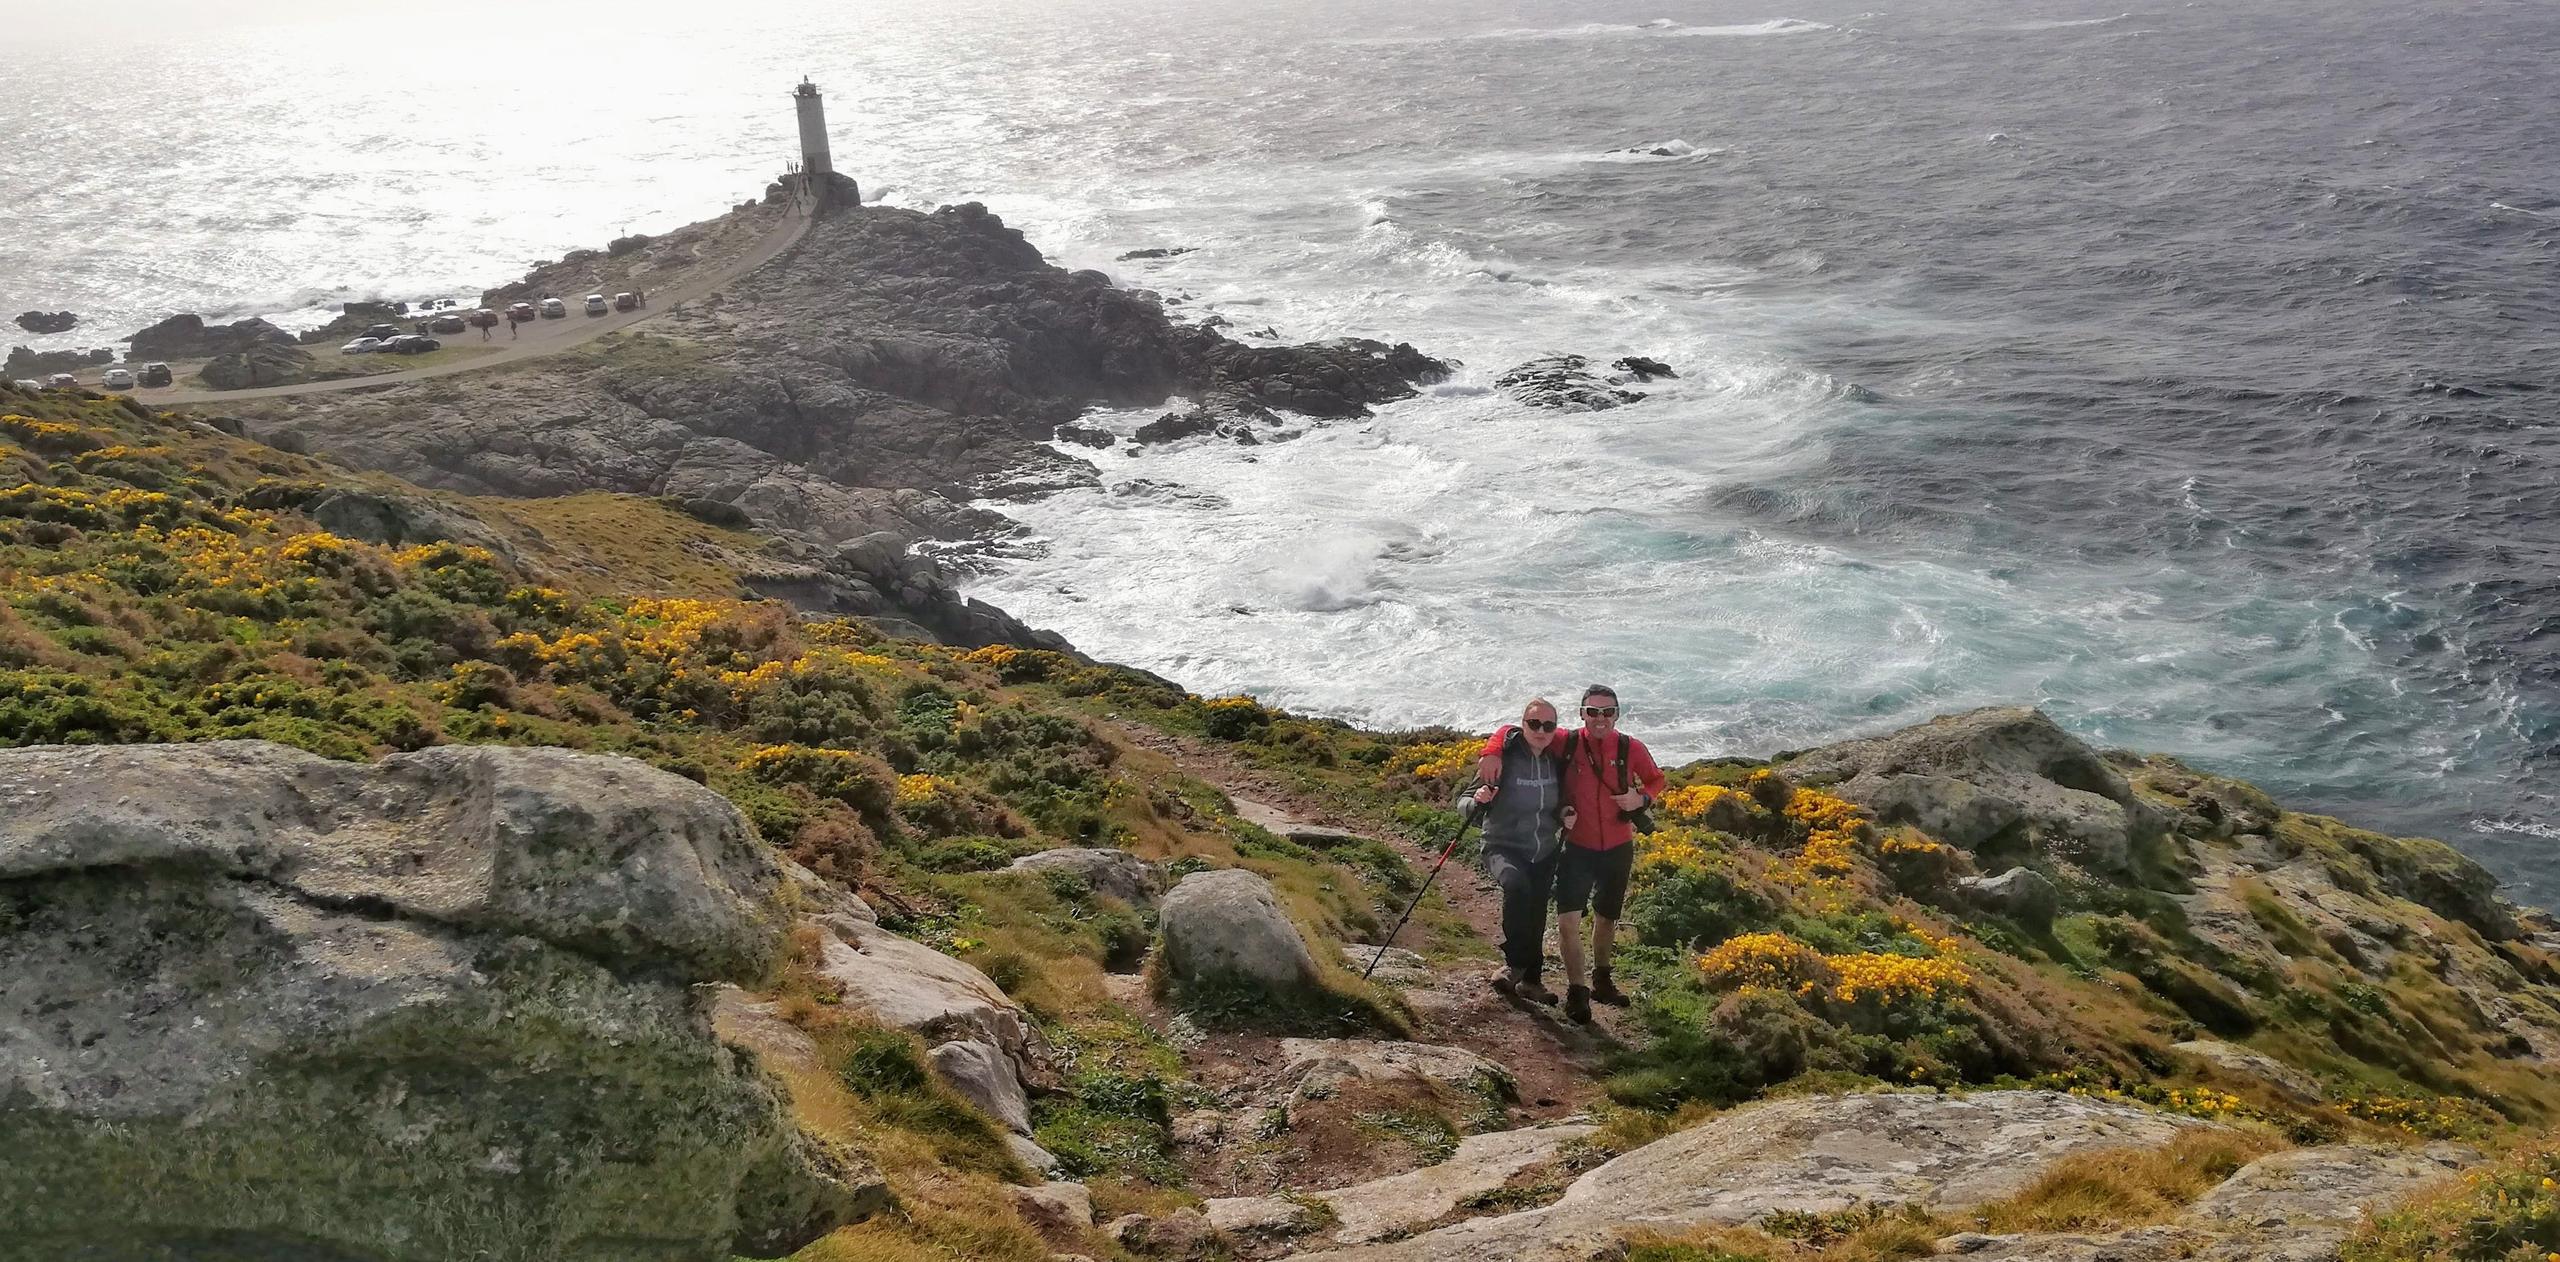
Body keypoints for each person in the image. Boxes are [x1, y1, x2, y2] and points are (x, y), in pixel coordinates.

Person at [1553, 684, 1665, 1023]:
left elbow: (1656, 780)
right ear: (1581, 713)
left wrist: (1641, 800)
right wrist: (1494, 752)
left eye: (1608, 712)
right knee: (1567, 921)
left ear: (1617, 714)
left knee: (1606, 918)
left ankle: (1602, 981)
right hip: (1576, 847)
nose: (1600, 719)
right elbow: (1519, 732)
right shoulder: (1566, 741)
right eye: (1593, 712)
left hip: (1618, 848)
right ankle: (1577, 992)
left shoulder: (1631, 746)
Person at [1469, 697, 1571, 1005]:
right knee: (1516, 886)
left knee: (1538, 911)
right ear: (1522, 724)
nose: (1541, 731)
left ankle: (1532, 981)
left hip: (1544, 849)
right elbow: (1464, 800)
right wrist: (1477, 800)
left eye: (1548, 725)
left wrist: (1565, 812)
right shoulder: (1504, 758)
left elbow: (1561, 801)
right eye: (1534, 724)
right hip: (1503, 846)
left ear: (1555, 729)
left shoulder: (1557, 760)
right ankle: (1513, 964)